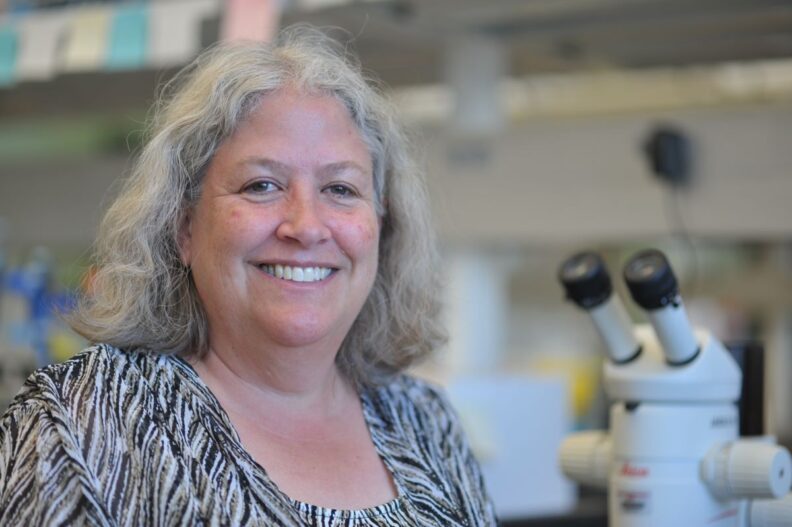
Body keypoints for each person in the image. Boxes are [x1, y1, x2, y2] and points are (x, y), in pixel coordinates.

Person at [0, 27, 496, 526]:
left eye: (341, 189)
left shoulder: (425, 421)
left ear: (381, 225)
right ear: (184, 226)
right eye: (261, 185)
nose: (305, 226)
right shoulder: (85, 423)